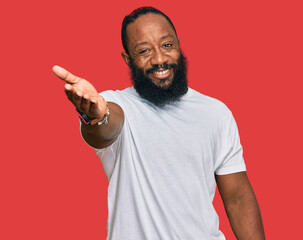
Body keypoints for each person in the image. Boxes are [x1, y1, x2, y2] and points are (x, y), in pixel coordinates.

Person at [53, 6, 265, 240]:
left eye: (167, 45)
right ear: (128, 59)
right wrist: (97, 115)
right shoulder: (116, 103)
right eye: (144, 51)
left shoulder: (216, 113)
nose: (160, 59)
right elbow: (105, 128)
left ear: (178, 45)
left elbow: (238, 198)